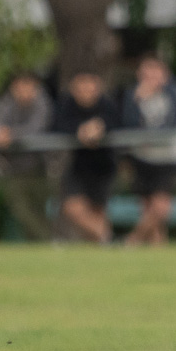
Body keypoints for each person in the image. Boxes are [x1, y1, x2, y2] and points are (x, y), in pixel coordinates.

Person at [121, 54, 176, 246]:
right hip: (142, 157)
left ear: (165, 74)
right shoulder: (133, 94)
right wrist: (137, 101)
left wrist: (148, 136)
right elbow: (128, 124)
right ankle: (158, 251)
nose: (151, 75)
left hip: (168, 157)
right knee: (147, 209)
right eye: (146, 70)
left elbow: (174, 123)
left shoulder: (175, 92)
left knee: (160, 208)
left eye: (155, 70)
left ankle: (132, 240)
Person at [53, 69, 122, 243]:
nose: (85, 90)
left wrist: (99, 127)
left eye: (89, 86)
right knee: (72, 208)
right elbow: (58, 125)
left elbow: (116, 123)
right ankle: (108, 238)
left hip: (104, 165)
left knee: (98, 211)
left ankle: (100, 252)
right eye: (81, 86)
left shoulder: (108, 105)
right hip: (78, 166)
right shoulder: (66, 104)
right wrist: (80, 130)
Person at [0, 72, 54, 241]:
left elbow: (37, 129)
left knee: (37, 209)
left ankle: (41, 247)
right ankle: (49, 240)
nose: (23, 90)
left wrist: (11, 135)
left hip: (41, 169)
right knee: (20, 208)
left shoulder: (42, 103)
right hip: (14, 169)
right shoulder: (5, 104)